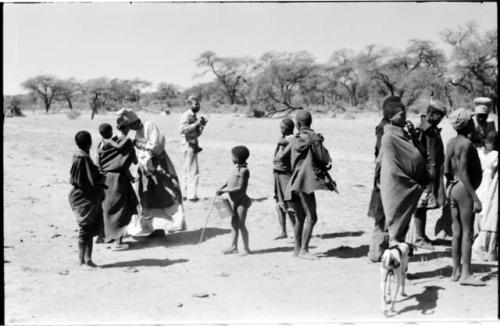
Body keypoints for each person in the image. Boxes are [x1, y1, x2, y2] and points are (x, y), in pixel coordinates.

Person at [116, 108, 187, 236]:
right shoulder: (137, 133)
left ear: (134, 122)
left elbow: (157, 146)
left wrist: (140, 145)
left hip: (159, 166)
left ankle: (177, 222)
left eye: (130, 125)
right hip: (145, 168)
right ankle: (148, 226)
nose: (130, 128)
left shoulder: (150, 125)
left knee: (168, 192)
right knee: (146, 196)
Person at [282, 110, 335, 260]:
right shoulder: (313, 138)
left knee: (300, 217)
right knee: (312, 217)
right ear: (310, 122)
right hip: (305, 183)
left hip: (293, 181)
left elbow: (283, 158)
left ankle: (297, 250)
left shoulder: (294, 139)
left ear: (297, 124)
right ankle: (304, 250)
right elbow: (324, 158)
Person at [378, 96, 429, 247]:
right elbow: (391, 166)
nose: (405, 117)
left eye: (405, 114)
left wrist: (413, 135)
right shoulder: (388, 137)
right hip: (398, 185)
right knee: (396, 221)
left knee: (403, 223)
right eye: (401, 115)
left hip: (409, 181)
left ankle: (400, 260)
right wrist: (410, 184)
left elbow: (419, 152)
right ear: (390, 116)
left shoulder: (404, 134)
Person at [444, 108, 485, 286]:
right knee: (468, 232)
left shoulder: (451, 142)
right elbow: (464, 173)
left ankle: (456, 271)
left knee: (457, 231)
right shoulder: (466, 144)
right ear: (467, 123)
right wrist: (475, 197)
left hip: (452, 188)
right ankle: (466, 274)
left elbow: (446, 170)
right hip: (464, 189)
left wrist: (448, 189)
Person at [97, 123, 139, 250]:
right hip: (118, 179)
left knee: (107, 209)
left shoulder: (101, 144)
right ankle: (118, 242)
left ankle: (105, 237)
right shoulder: (123, 142)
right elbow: (126, 162)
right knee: (121, 209)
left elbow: (100, 161)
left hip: (104, 178)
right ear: (126, 128)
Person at [412, 100, 447, 250]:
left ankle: (422, 235)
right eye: (439, 116)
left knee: (425, 206)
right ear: (432, 114)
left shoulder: (431, 129)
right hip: (424, 175)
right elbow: (417, 153)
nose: (440, 120)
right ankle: (418, 238)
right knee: (421, 205)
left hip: (432, 174)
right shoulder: (422, 130)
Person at [68, 131, 106, 268]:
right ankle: (82, 260)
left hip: (79, 195)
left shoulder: (76, 156)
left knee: (88, 228)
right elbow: (91, 179)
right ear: (89, 143)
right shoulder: (83, 159)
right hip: (85, 197)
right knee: (85, 228)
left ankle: (87, 259)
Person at [216, 146, 252, 256]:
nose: (231, 158)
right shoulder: (235, 168)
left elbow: (240, 188)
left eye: (232, 156)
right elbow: (228, 181)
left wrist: (224, 191)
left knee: (241, 225)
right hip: (234, 201)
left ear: (237, 158)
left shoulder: (244, 171)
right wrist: (221, 187)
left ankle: (246, 248)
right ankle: (233, 247)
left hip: (241, 202)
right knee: (233, 224)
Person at [367, 113, 389, 262]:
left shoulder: (382, 128)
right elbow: (381, 159)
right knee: (382, 219)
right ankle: (377, 253)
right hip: (383, 181)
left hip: (381, 179)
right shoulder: (385, 130)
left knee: (381, 220)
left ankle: (376, 251)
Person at [472, 131, 498, 262]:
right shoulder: (493, 155)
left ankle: (479, 239)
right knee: (486, 211)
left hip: (483, 184)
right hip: (487, 185)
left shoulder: (481, 153)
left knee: (483, 212)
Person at [179, 95, 207, 202]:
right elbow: (182, 130)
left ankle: (183, 194)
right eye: (196, 104)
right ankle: (191, 195)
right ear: (190, 105)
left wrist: (201, 126)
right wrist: (196, 124)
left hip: (192, 144)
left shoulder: (194, 116)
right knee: (193, 171)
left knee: (186, 171)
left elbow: (196, 133)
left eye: (198, 104)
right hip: (188, 145)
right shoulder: (186, 116)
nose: (198, 106)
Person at [272, 118, 296, 240]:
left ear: (286, 128)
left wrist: (283, 142)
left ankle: (296, 229)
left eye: (281, 127)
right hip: (277, 171)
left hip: (285, 173)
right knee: (279, 201)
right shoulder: (283, 138)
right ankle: (283, 231)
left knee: (289, 201)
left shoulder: (291, 139)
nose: (280, 129)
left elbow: (284, 155)